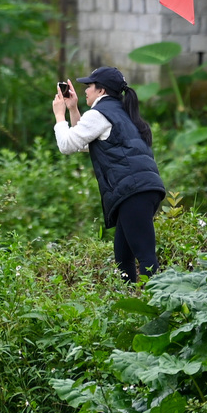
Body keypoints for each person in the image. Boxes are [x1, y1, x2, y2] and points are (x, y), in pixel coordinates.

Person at [53, 66, 165, 282]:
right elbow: (85, 142)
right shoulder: (121, 111)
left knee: (145, 255)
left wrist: (59, 115)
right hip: (141, 190)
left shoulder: (99, 114)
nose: (85, 90)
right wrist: (73, 110)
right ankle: (131, 305)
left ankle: (159, 305)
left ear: (101, 91)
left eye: (89, 86)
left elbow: (67, 145)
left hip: (134, 192)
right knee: (123, 258)